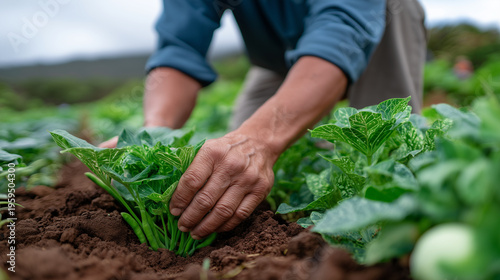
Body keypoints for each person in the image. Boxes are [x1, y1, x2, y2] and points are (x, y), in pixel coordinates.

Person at [101, 0, 426, 241]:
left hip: (372, 26)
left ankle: (396, 205)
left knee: (380, 152)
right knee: (233, 172)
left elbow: (342, 32)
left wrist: (261, 140)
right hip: (279, 59)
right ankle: (323, 151)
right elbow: (179, 48)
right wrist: (152, 131)